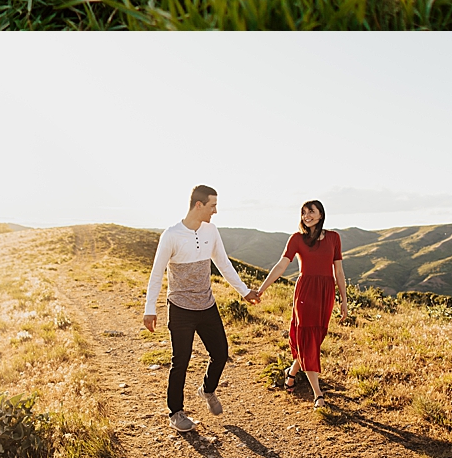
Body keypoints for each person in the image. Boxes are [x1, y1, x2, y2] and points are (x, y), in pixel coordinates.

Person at [142, 184, 252, 433]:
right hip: (181, 308)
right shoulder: (171, 235)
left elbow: (223, 264)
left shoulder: (211, 231)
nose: (215, 211)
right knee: (180, 360)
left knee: (221, 353)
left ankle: (207, 390)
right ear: (199, 205)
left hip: (206, 305)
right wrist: (150, 309)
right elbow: (156, 274)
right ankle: (176, 412)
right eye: (213, 205)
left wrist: (244, 292)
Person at [248, 200, 348, 402]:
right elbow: (280, 266)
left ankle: (292, 372)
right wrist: (261, 289)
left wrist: (344, 300)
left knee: (316, 338)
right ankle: (318, 394)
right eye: (303, 213)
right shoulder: (297, 239)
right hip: (305, 293)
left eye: (311, 211)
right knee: (308, 339)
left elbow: (338, 271)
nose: (307, 216)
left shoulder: (334, 238)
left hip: (325, 292)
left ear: (321, 214)